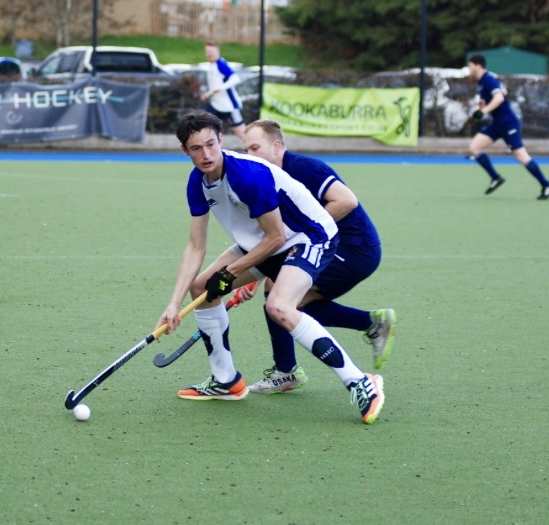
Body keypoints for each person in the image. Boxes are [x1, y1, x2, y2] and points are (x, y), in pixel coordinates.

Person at [157, 110, 384, 424]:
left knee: (279, 305)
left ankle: (361, 382)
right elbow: (196, 246)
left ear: (222, 140)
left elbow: (277, 236)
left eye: (211, 144)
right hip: (262, 240)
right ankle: (226, 381)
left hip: (307, 236)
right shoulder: (197, 183)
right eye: (196, 148)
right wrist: (173, 304)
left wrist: (233, 272)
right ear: (185, 151)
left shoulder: (248, 176)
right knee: (201, 288)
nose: (206, 154)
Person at [240, 119, 395, 395]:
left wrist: (303, 233)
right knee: (281, 300)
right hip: (324, 246)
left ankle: (288, 371)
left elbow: (346, 201)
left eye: (255, 148)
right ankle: (367, 324)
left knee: (280, 298)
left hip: (354, 249)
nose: (250, 156)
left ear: (276, 146)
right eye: (245, 150)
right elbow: (277, 237)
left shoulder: (303, 168)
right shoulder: (266, 178)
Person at [467, 54, 549, 200]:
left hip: (508, 123)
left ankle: (546, 185)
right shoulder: (483, 81)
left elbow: (499, 98)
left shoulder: (488, 79)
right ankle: (495, 178)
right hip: (497, 124)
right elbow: (501, 92)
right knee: (474, 148)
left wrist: (483, 111)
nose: (469, 69)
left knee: (521, 155)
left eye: (470, 65)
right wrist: (481, 107)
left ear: (478, 66)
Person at [200, 42, 246, 140]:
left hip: (228, 106)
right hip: (215, 106)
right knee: (205, 125)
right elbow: (215, 85)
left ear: (218, 52)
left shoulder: (221, 64)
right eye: (208, 51)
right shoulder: (211, 65)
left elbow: (235, 78)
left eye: (212, 51)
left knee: (241, 133)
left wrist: (221, 88)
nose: (210, 54)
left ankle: (254, 150)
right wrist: (207, 94)